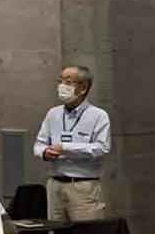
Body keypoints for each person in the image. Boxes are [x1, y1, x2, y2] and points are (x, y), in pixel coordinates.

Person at [35, 63, 113, 224]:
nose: (62, 86)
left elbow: (101, 148)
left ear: (83, 88)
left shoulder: (98, 116)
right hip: (55, 184)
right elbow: (39, 144)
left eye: (68, 82)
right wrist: (44, 152)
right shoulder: (53, 114)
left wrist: (66, 148)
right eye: (61, 81)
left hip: (83, 187)